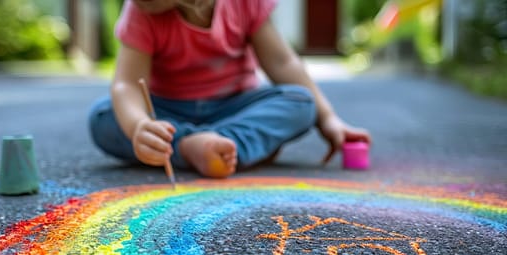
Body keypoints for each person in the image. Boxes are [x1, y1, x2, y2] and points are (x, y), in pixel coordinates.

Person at [88, 0, 371, 179]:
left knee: (301, 103)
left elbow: (283, 63)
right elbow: (127, 83)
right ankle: (196, 147)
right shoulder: (140, 11)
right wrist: (140, 125)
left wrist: (328, 118)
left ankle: (221, 145)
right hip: (169, 114)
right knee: (105, 117)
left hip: (234, 106)